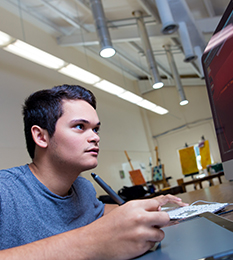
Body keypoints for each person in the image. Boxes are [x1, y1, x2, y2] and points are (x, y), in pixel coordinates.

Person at [0, 84, 188, 259]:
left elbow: (101, 211)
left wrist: (148, 207)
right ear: (41, 136)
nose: (95, 137)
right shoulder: (5, 192)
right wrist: (90, 242)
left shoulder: (83, 188)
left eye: (96, 129)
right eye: (80, 127)